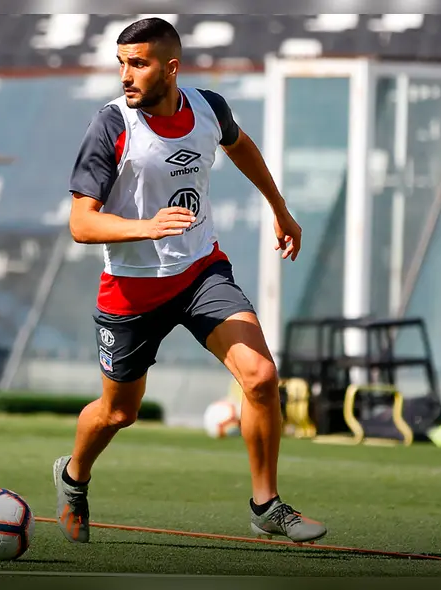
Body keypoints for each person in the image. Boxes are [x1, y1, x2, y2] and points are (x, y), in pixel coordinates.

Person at [52, 17, 327, 544]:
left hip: (201, 272)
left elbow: (240, 146)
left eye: (138, 63)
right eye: (121, 64)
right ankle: (73, 477)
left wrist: (280, 209)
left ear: (171, 68)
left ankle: (266, 504)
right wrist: (144, 227)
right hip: (131, 291)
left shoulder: (208, 107)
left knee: (262, 378)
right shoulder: (110, 125)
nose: (126, 76)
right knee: (118, 413)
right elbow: (81, 223)